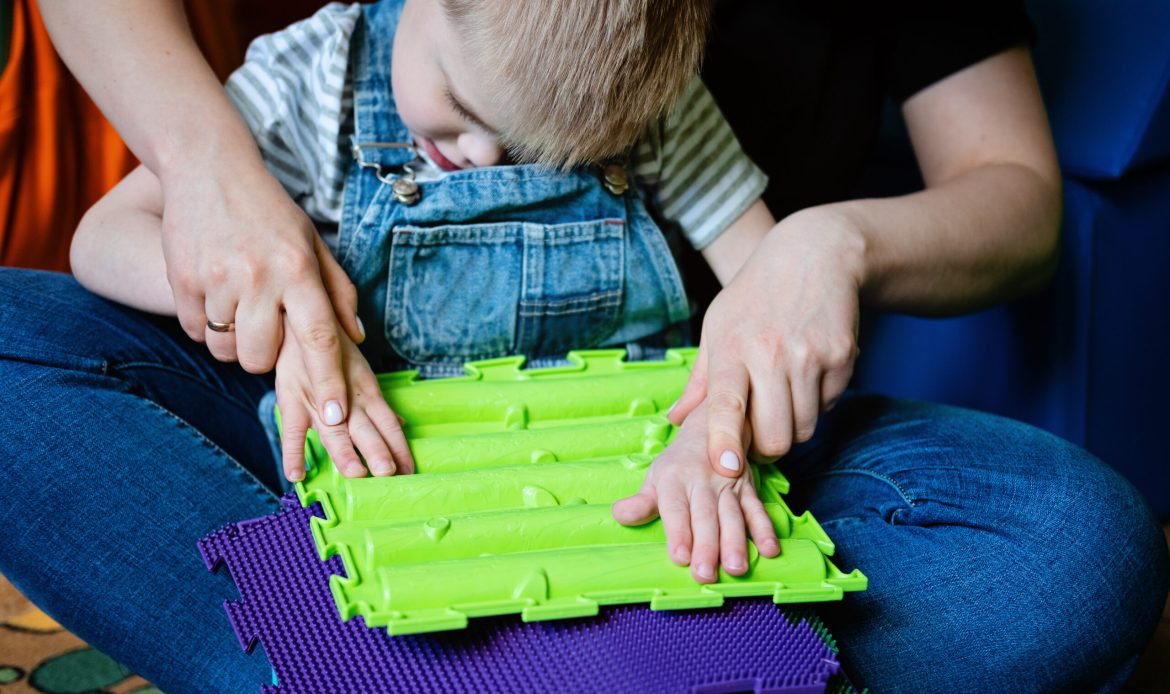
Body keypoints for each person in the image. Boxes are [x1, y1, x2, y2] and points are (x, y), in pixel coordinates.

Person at [3, 2, 1165, 693]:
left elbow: (765, 282)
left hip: (623, 508)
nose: (477, 156)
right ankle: (403, 648)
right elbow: (112, 235)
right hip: (346, 471)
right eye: (454, 112)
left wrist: (728, 432)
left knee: (1079, 544)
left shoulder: (666, 109)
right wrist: (236, 271)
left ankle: (433, 669)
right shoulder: (321, 70)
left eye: (544, 149)